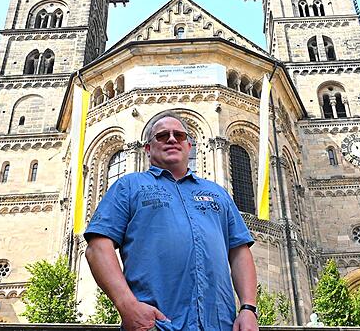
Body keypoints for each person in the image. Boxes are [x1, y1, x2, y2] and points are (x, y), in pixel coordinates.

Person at [84, 112, 259, 331]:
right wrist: (127, 305)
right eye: (162, 135)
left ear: (189, 145)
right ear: (148, 149)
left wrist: (248, 309)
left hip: (220, 325)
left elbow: (239, 252)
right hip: (154, 325)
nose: (172, 139)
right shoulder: (129, 186)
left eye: (179, 135)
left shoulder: (217, 193)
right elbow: (97, 248)